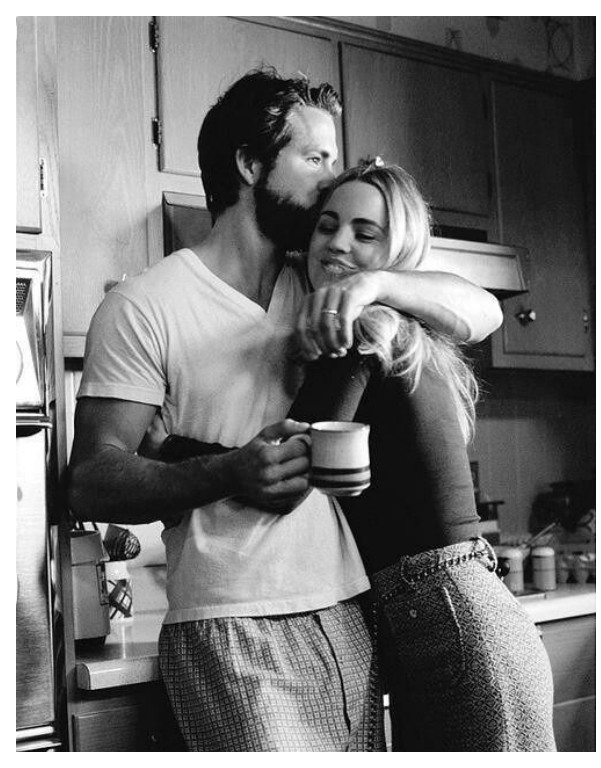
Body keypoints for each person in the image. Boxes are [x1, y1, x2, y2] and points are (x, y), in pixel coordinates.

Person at [65, 68, 501, 751]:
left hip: (352, 613)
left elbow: (479, 309)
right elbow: (90, 478)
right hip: (233, 625)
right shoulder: (143, 306)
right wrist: (226, 471)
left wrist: (381, 282)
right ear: (249, 164)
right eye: (316, 157)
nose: (332, 177)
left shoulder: (329, 279)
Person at [162, 160, 557, 751]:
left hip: (451, 621)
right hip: (446, 617)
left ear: (393, 251)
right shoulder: (398, 324)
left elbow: (297, 462)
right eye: (326, 225)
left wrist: (169, 446)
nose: (337, 243)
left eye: (364, 234)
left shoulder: (368, 327)